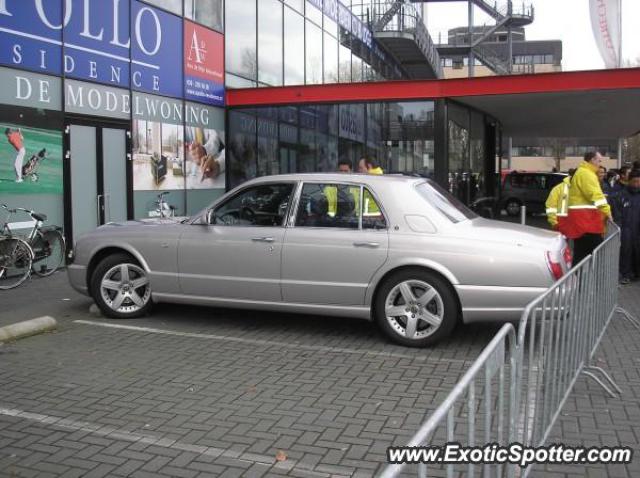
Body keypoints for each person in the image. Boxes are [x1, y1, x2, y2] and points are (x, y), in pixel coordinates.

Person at [565, 151, 612, 264]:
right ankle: (582, 280)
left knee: (580, 254)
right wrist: (608, 212)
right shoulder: (587, 174)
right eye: (599, 160)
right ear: (592, 160)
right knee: (592, 252)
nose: (600, 164)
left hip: (582, 221)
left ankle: (578, 279)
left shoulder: (582, 172)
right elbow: (595, 195)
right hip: (586, 221)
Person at [610, 170, 640, 284]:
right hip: (626, 229)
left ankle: (637, 274)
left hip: (637, 229)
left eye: (639, 182)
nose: (637, 184)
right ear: (629, 181)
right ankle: (626, 274)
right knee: (626, 252)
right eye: (635, 181)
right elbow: (617, 215)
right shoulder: (620, 195)